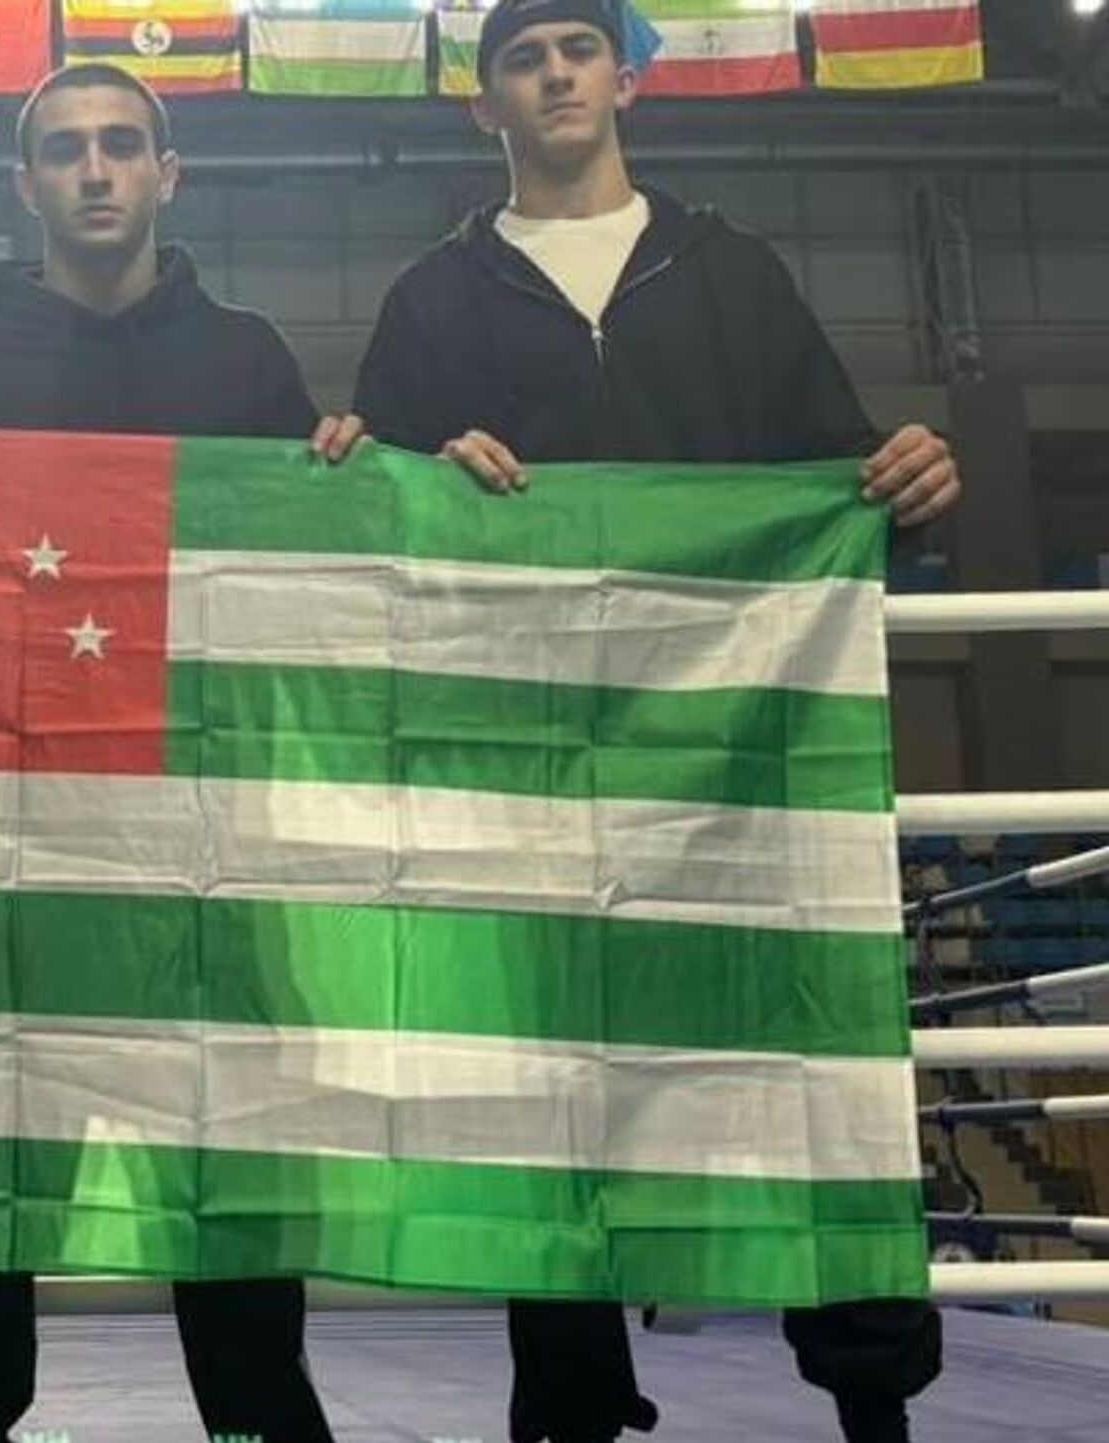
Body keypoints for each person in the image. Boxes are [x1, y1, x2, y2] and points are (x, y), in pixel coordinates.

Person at [352, 3, 960, 1442]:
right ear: (483, 104)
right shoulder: (430, 301)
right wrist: (421, 473)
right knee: (548, 1093)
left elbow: (840, 488)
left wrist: (916, 484)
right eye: (522, 57)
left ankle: (873, 1407)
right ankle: (567, 1407)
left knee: (800, 1070)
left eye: (577, 48)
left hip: (734, 765)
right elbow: (368, 526)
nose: (554, 73)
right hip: (527, 779)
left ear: (626, 77)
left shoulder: (734, 272)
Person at [0, 62, 361, 1443]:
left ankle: (261, 1427)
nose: (95, 169)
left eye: (122, 145)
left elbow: (307, 578)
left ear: (166, 174)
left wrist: (346, 470)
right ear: (25, 184)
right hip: (4, 853)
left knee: (227, 1195)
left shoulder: (248, 359)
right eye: (67, 148)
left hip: (204, 858)